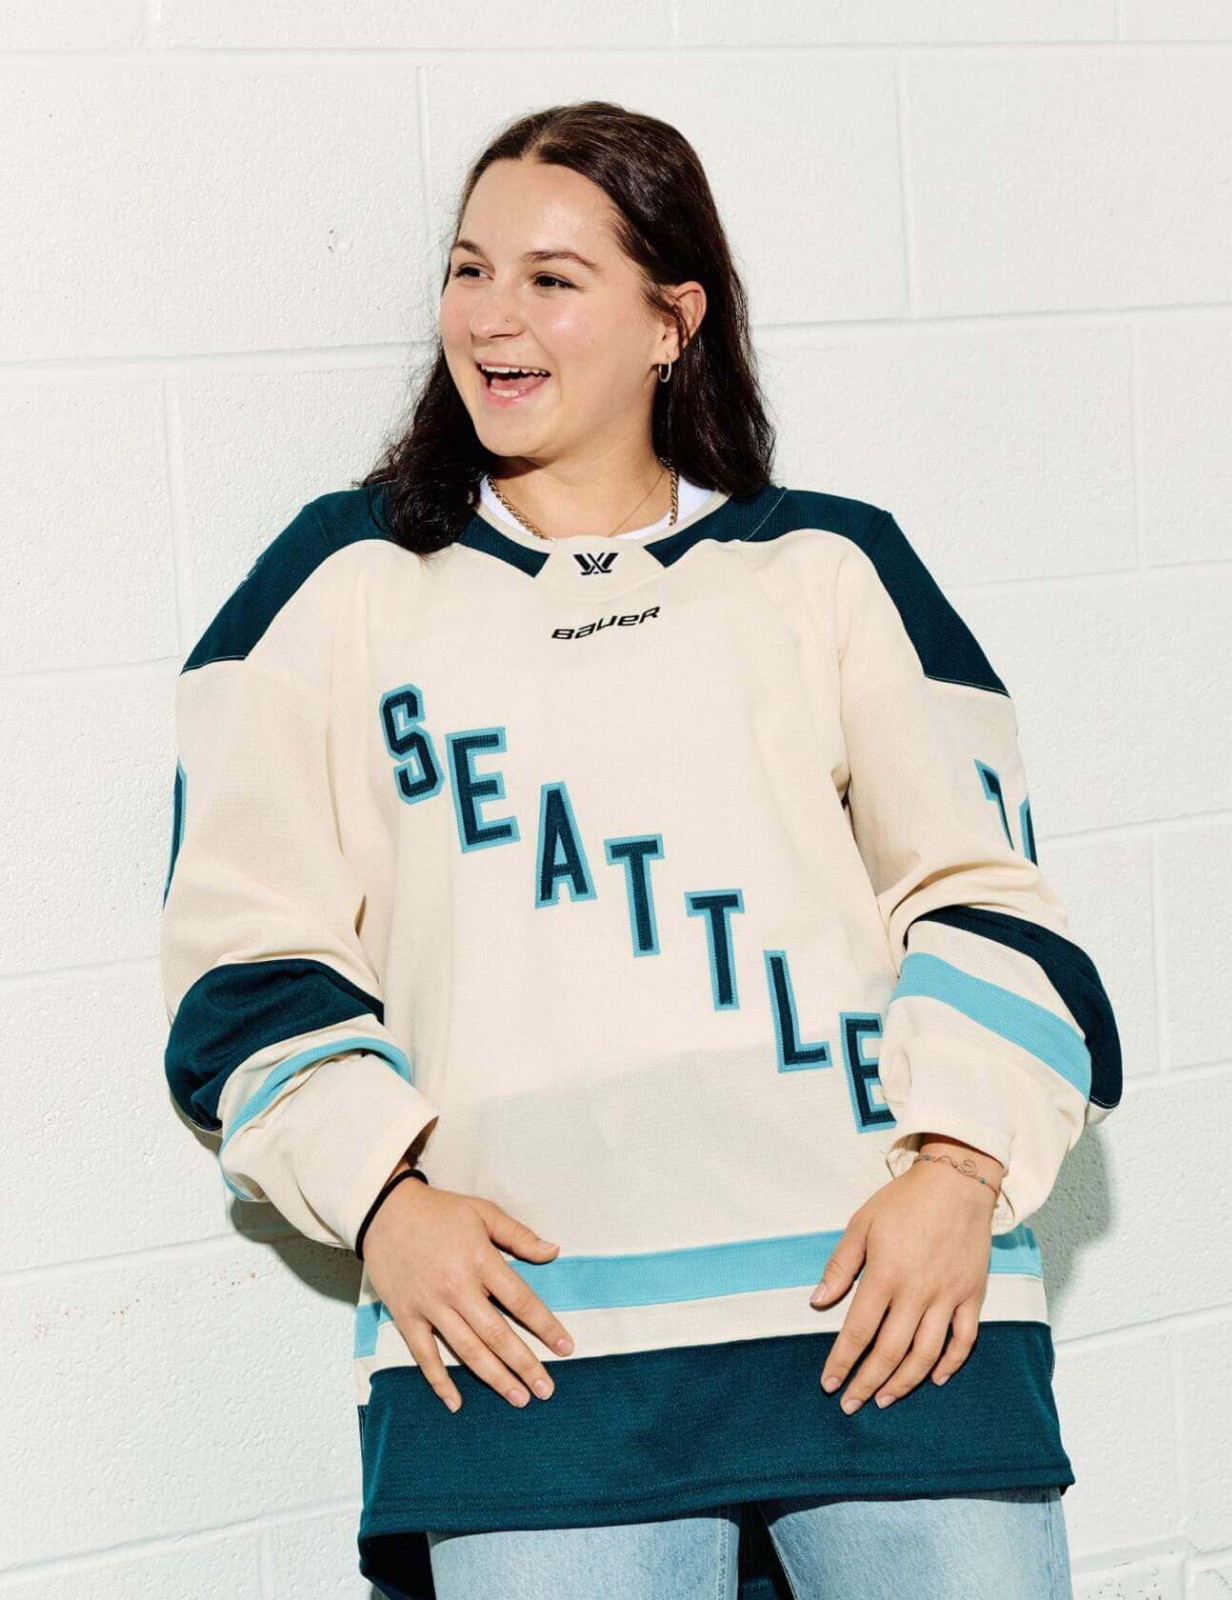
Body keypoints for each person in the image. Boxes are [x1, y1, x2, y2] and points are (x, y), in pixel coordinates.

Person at [160, 101, 1122, 1600]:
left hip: (888, 1311)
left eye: (552, 278)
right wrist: (385, 1201)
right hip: (529, 1349)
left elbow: (989, 899)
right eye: (470, 271)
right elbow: (242, 947)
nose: (493, 316)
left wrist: (959, 1168)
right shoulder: (338, 584)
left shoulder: (830, 564)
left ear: (675, 318)